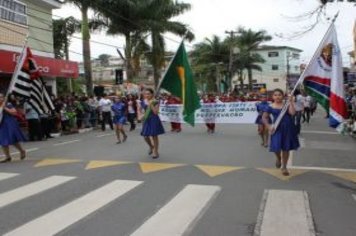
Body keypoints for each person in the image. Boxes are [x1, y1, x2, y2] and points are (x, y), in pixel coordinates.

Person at [262, 89, 299, 176]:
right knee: (276, 147)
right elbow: (264, 117)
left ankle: (284, 167)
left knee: (286, 148)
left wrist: (291, 102)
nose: (277, 96)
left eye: (279, 95)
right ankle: (278, 158)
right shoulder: (270, 106)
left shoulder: (286, 105)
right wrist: (269, 126)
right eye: (275, 95)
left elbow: (292, 113)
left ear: (283, 96)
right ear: (273, 97)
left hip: (288, 128)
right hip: (276, 128)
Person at [0, 93, 26, 163]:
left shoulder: (8, 104)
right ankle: (7, 157)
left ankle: (22, 151)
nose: (0, 99)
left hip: (9, 122)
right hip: (1, 124)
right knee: (3, 141)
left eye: (1, 97)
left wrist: (4, 108)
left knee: (13, 139)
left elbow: (14, 112)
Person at [140, 88, 165, 159]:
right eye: (145, 94)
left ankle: (155, 151)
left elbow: (156, 112)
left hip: (154, 119)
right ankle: (151, 146)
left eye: (148, 94)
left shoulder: (155, 101)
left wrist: (151, 104)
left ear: (152, 94)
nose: (147, 95)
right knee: (145, 136)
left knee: (154, 136)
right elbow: (142, 110)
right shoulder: (143, 101)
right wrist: (141, 116)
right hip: (146, 120)